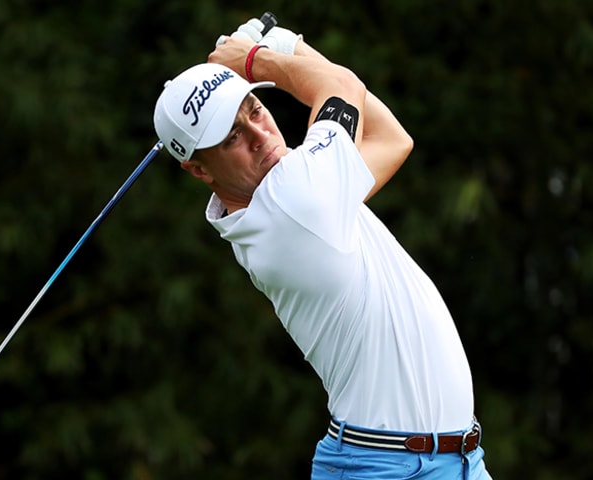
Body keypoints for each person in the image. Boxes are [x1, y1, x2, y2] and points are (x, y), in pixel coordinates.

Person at [152, 16, 492, 480]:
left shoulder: (301, 189)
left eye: (253, 109)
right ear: (199, 170)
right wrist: (256, 58)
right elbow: (339, 85)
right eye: (231, 137)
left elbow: (391, 139)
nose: (259, 135)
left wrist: (286, 44)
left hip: (451, 461)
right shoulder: (296, 199)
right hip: (389, 469)